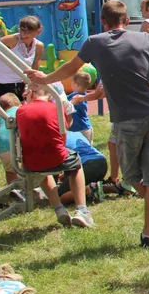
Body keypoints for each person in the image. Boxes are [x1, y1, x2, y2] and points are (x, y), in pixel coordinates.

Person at [28, 0, 149, 248]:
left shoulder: (95, 42)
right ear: (126, 20)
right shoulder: (144, 39)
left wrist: (45, 77)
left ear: (103, 22)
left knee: (134, 177)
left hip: (126, 120)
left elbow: (70, 69)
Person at [17, 84, 93, 227]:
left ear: (31, 94)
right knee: (75, 164)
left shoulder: (21, 110)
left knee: (42, 170)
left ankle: (58, 208)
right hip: (57, 156)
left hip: (31, 161)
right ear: (50, 95)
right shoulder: (57, 108)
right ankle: (82, 209)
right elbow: (63, 138)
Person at [0, 16, 44, 101]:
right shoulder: (12, 40)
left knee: (19, 111)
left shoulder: (38, 46)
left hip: (18, 83)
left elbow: (35, 65)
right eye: (21, 30)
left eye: (28, 31)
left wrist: (30, 83)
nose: (23, 34)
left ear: (38, 31)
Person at [57, 131, 109, 204]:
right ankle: (107, 187)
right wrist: (65, 176)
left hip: (88, 165)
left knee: (58, 196)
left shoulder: (57, 139)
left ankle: (91, 189)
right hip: (102, 163)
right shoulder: (75, 133)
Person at [0, 92, 22, 184]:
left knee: (10, 170)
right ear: (19, 104)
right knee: (26, 167)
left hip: (3, 148)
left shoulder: (0, 118)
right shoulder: (21, 111)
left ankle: (13, 189)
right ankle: (28, 186)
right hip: (19, 144)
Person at [68, 70, 96, 143]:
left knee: (86, 150)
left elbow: (69, 105)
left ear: (76, 85)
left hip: (83, 129)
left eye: (72, 83)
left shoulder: (81, 99)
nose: (70, 84)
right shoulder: (73, 94)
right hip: (75, 129)